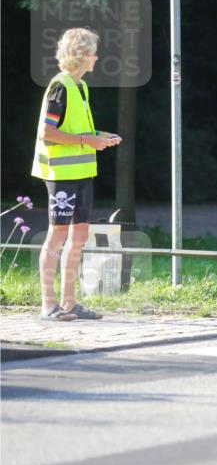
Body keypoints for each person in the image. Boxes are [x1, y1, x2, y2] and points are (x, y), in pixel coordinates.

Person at [31, 28, 121, 321]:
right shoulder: (60, 87)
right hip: (61, 174)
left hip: (82, 173)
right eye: (94, 51)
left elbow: (75, 130)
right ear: (82, 55)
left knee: (79, 236)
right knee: (57, 236)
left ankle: (70, 304)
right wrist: (87, 140)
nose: (97, 56)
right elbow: (48, 132)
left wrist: (98, 136)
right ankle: (49, 305)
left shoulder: (80, 86)